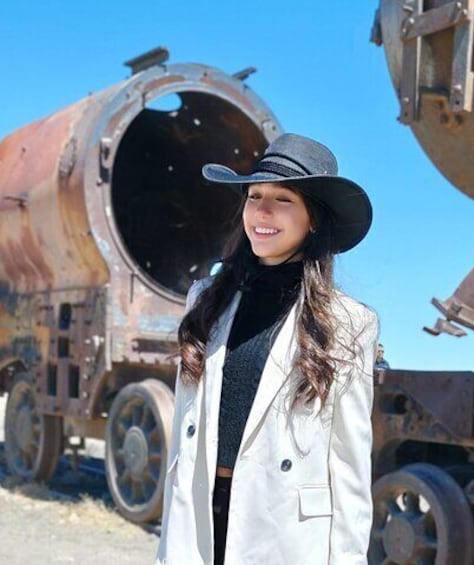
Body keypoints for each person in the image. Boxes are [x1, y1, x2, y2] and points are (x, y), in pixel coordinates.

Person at [156, 133, 379, 565]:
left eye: (283, 199)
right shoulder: (205, 300)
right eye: (254, 195)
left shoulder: (349, 324)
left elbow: (349, 464)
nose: (262, 210)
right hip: (198, 515)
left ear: (313, 220)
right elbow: (184, 431)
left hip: (282, 528)